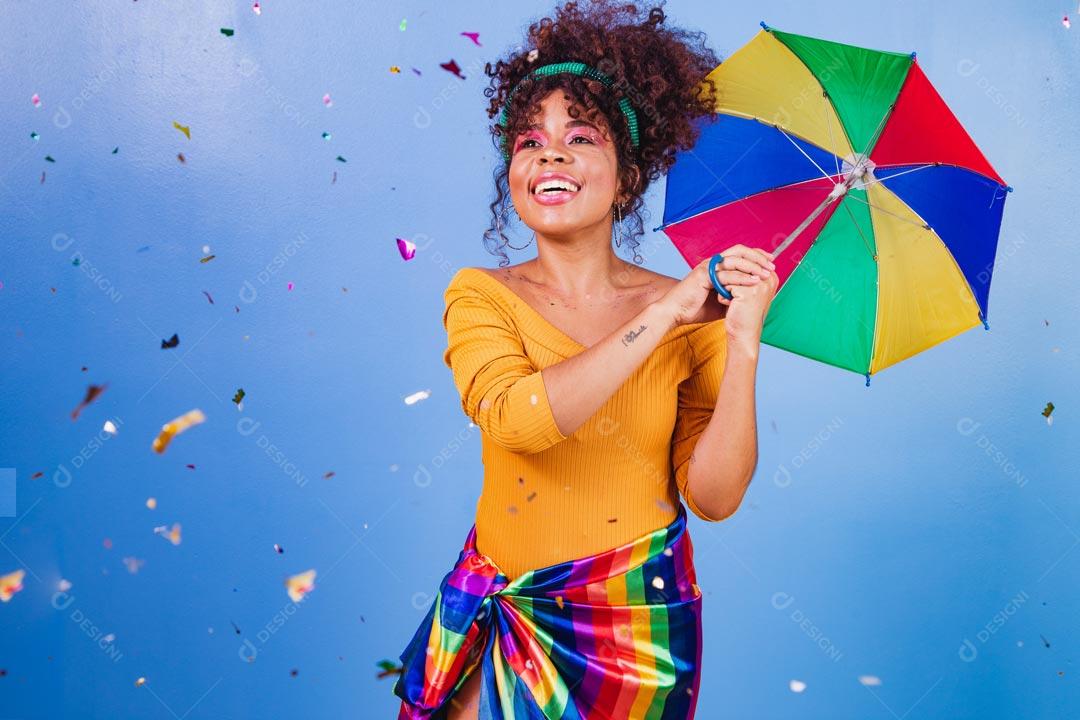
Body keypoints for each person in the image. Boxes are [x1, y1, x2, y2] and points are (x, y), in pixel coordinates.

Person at [394, 1, 777, 717]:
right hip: (506, 609)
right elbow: (517, 420)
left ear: (626, 178)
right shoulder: (481, 295)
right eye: (529, 141)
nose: (551, 155)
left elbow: (715, 498)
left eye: (580, 136)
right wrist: (662, 316)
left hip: (637, 632)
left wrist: (743, 342)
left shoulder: (696, 313)